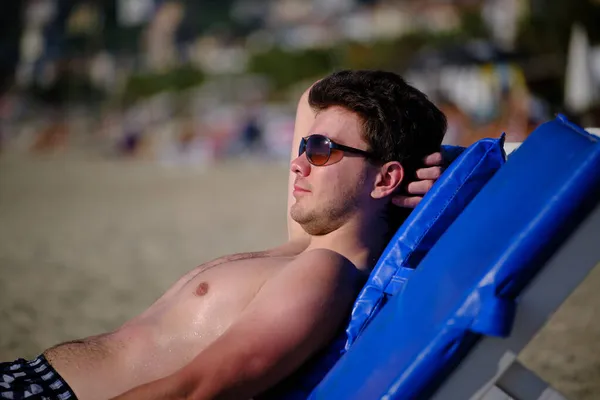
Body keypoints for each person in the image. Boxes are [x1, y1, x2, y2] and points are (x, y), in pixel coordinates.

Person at [0, 70, 447, 400]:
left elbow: (196, 390)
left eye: (320, 150)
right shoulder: (305, 245)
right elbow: (314, 92)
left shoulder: (323, 272)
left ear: (385, 180)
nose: (297, 162)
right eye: (303, 145)